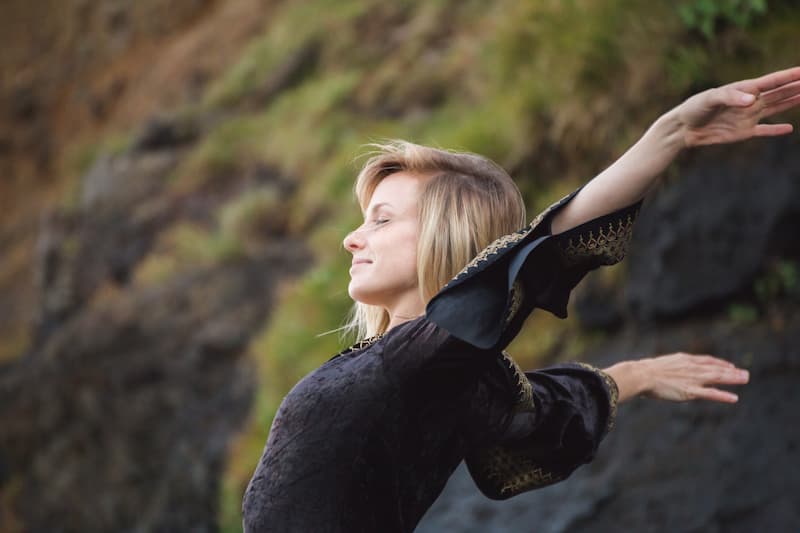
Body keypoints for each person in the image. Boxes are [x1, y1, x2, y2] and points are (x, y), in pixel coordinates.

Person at [242, 66, 800, 532]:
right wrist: (638, 373)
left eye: (382, 220)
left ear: (445, 236)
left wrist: (672, 132)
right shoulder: (433, 373)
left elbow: (542, 251)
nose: (352, 237)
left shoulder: (421, 361)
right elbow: (553, 404)